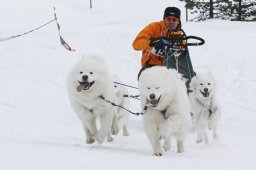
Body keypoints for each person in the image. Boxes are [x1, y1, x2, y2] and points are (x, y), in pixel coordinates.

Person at [132, 7, 195, 89]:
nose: (171, 22)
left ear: (178, 21)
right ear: (164, 19)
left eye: (174, 20)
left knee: (193, 82)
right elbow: (136, 44)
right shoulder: (154, 27)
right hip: (151, 66)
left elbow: (182, 59)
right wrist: (151, 44)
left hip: (172, 68)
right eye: (169, 19)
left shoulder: (180, 36)